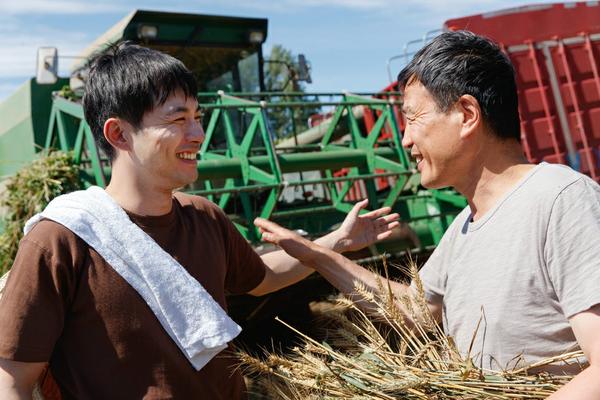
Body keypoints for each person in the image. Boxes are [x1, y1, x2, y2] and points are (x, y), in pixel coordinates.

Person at [0, 42, 399, 400]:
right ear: (119, 133)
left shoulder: (204, 217)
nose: (198, 134)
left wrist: (337, 242)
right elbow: (13, 379)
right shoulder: (62, 239)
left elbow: (263, 277)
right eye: (177, 120)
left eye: (197, 116)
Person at [254, 30, 600, 399]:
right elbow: (415, 310)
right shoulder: (464, 226)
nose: (405, 140)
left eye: (414, 119)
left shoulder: (560, 199)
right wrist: (318, 257)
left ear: (467, 114)